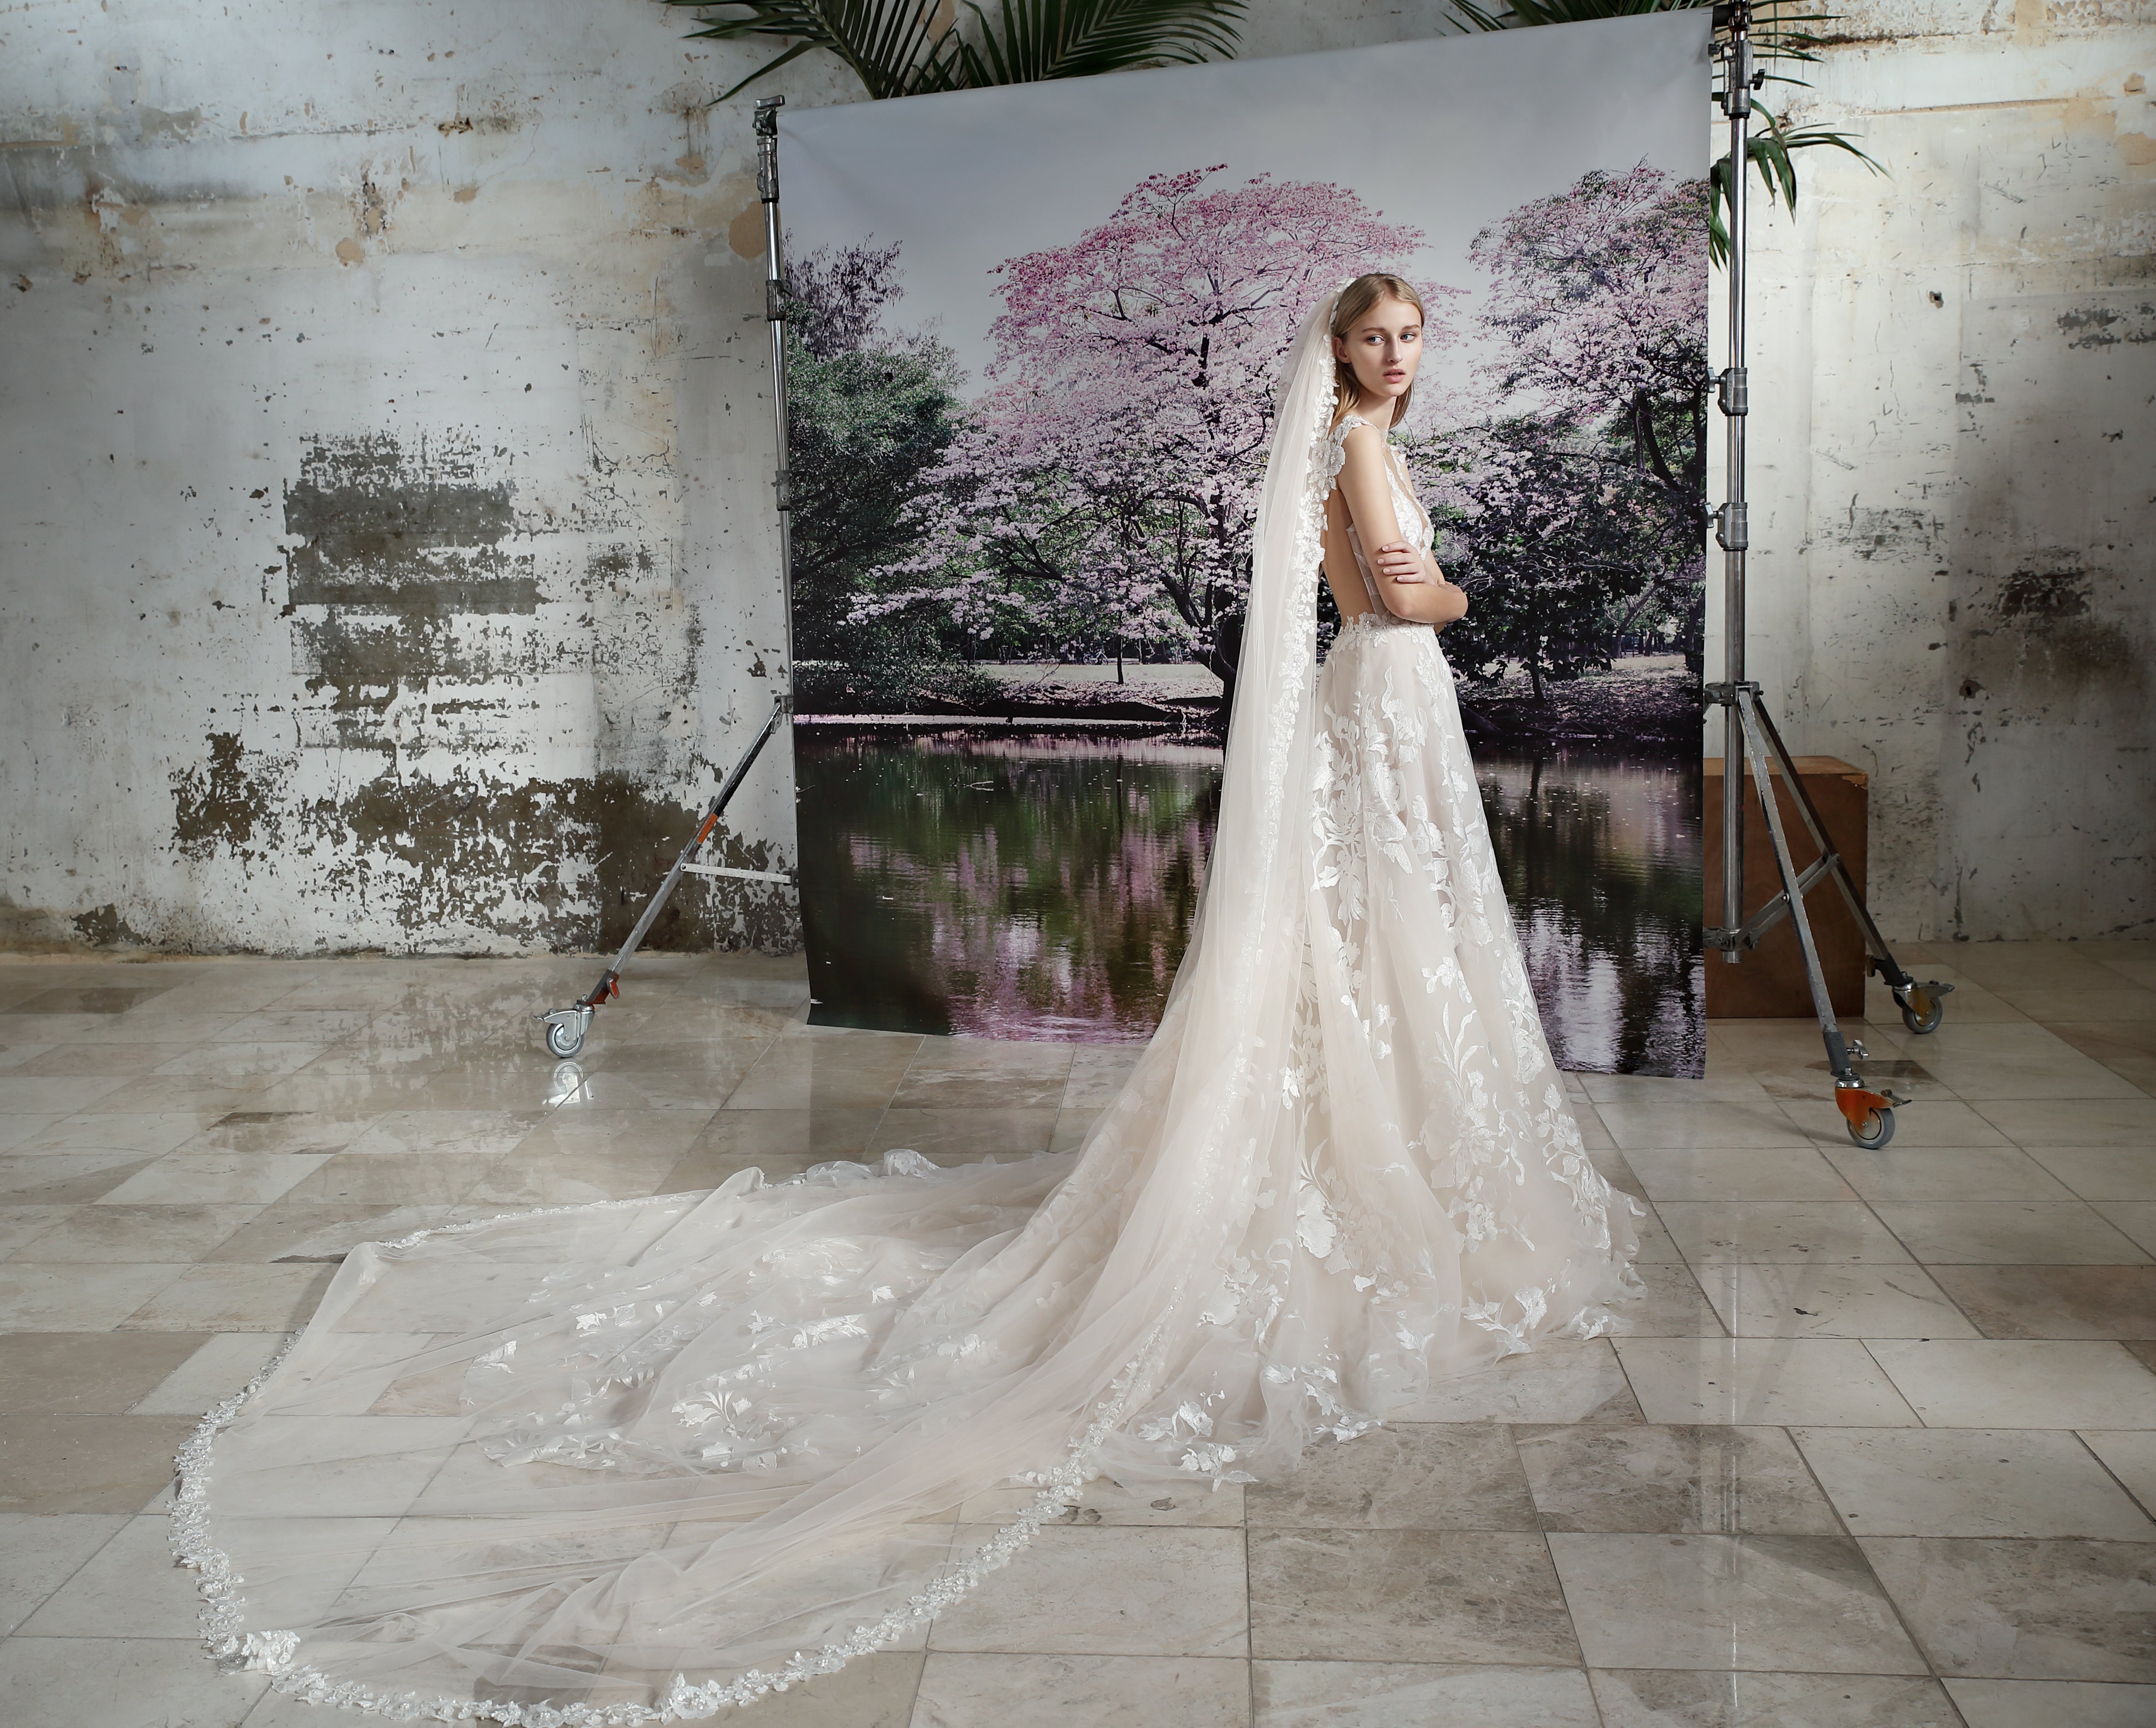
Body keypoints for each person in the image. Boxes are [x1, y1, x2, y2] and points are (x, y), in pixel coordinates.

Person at [176, 274, 1641, 1724]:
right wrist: (1461, 593)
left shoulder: (1336, 454)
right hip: (1389, 698)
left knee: (1379, 954)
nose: (1394, 358)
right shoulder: (1370, 455)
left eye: (1407, 340)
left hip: (1370, 706)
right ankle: (1380, 1169)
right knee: (1397, 946)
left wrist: (1416, 593)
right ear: (1338, 354)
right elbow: (1398, 597)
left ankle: (1357, 1146)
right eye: (1374, 339)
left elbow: (1362, 587)